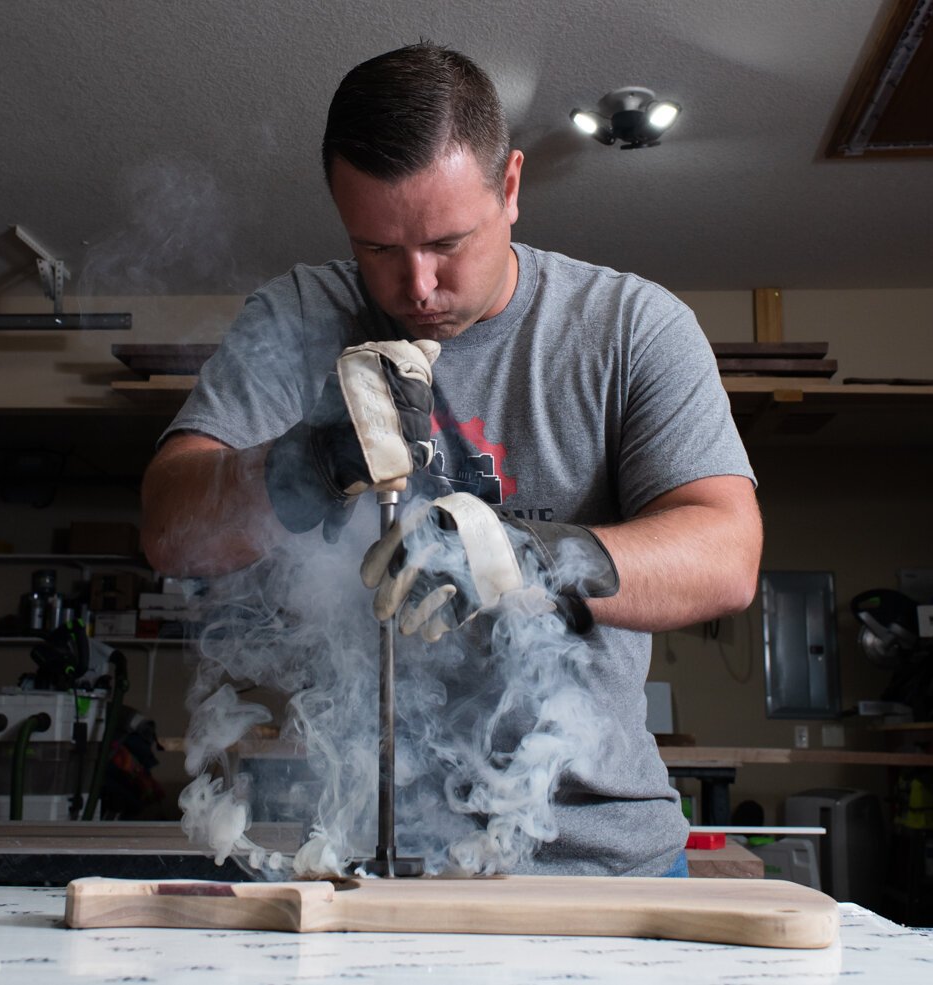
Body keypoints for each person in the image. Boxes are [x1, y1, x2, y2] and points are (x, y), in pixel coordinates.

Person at [142, 42, 761, 877]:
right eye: (378, 250)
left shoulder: (629, 327)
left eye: (446, 242)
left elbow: (727, 554)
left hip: (601, 856)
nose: (417, 285)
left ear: (509, 188)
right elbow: (170, 532)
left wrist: (536, 556)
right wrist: (309, 461)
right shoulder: (297, 316)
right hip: (374, 847)